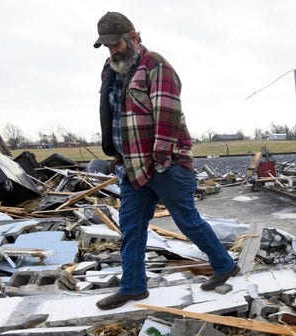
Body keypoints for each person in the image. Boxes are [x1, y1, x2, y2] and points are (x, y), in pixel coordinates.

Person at [93, 12, 238, 310]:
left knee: (187, 221)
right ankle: (133, 287)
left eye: (115, 44)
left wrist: (159, 159)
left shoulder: (156, 65)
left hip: (165, 164)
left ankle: (224, 265)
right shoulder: (111, 72)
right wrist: (117, 157)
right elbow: (115, 118)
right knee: (131, 226)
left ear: (132, 36)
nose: (112, 51)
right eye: (107, 47)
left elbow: (168, 114)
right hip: (131, 167)